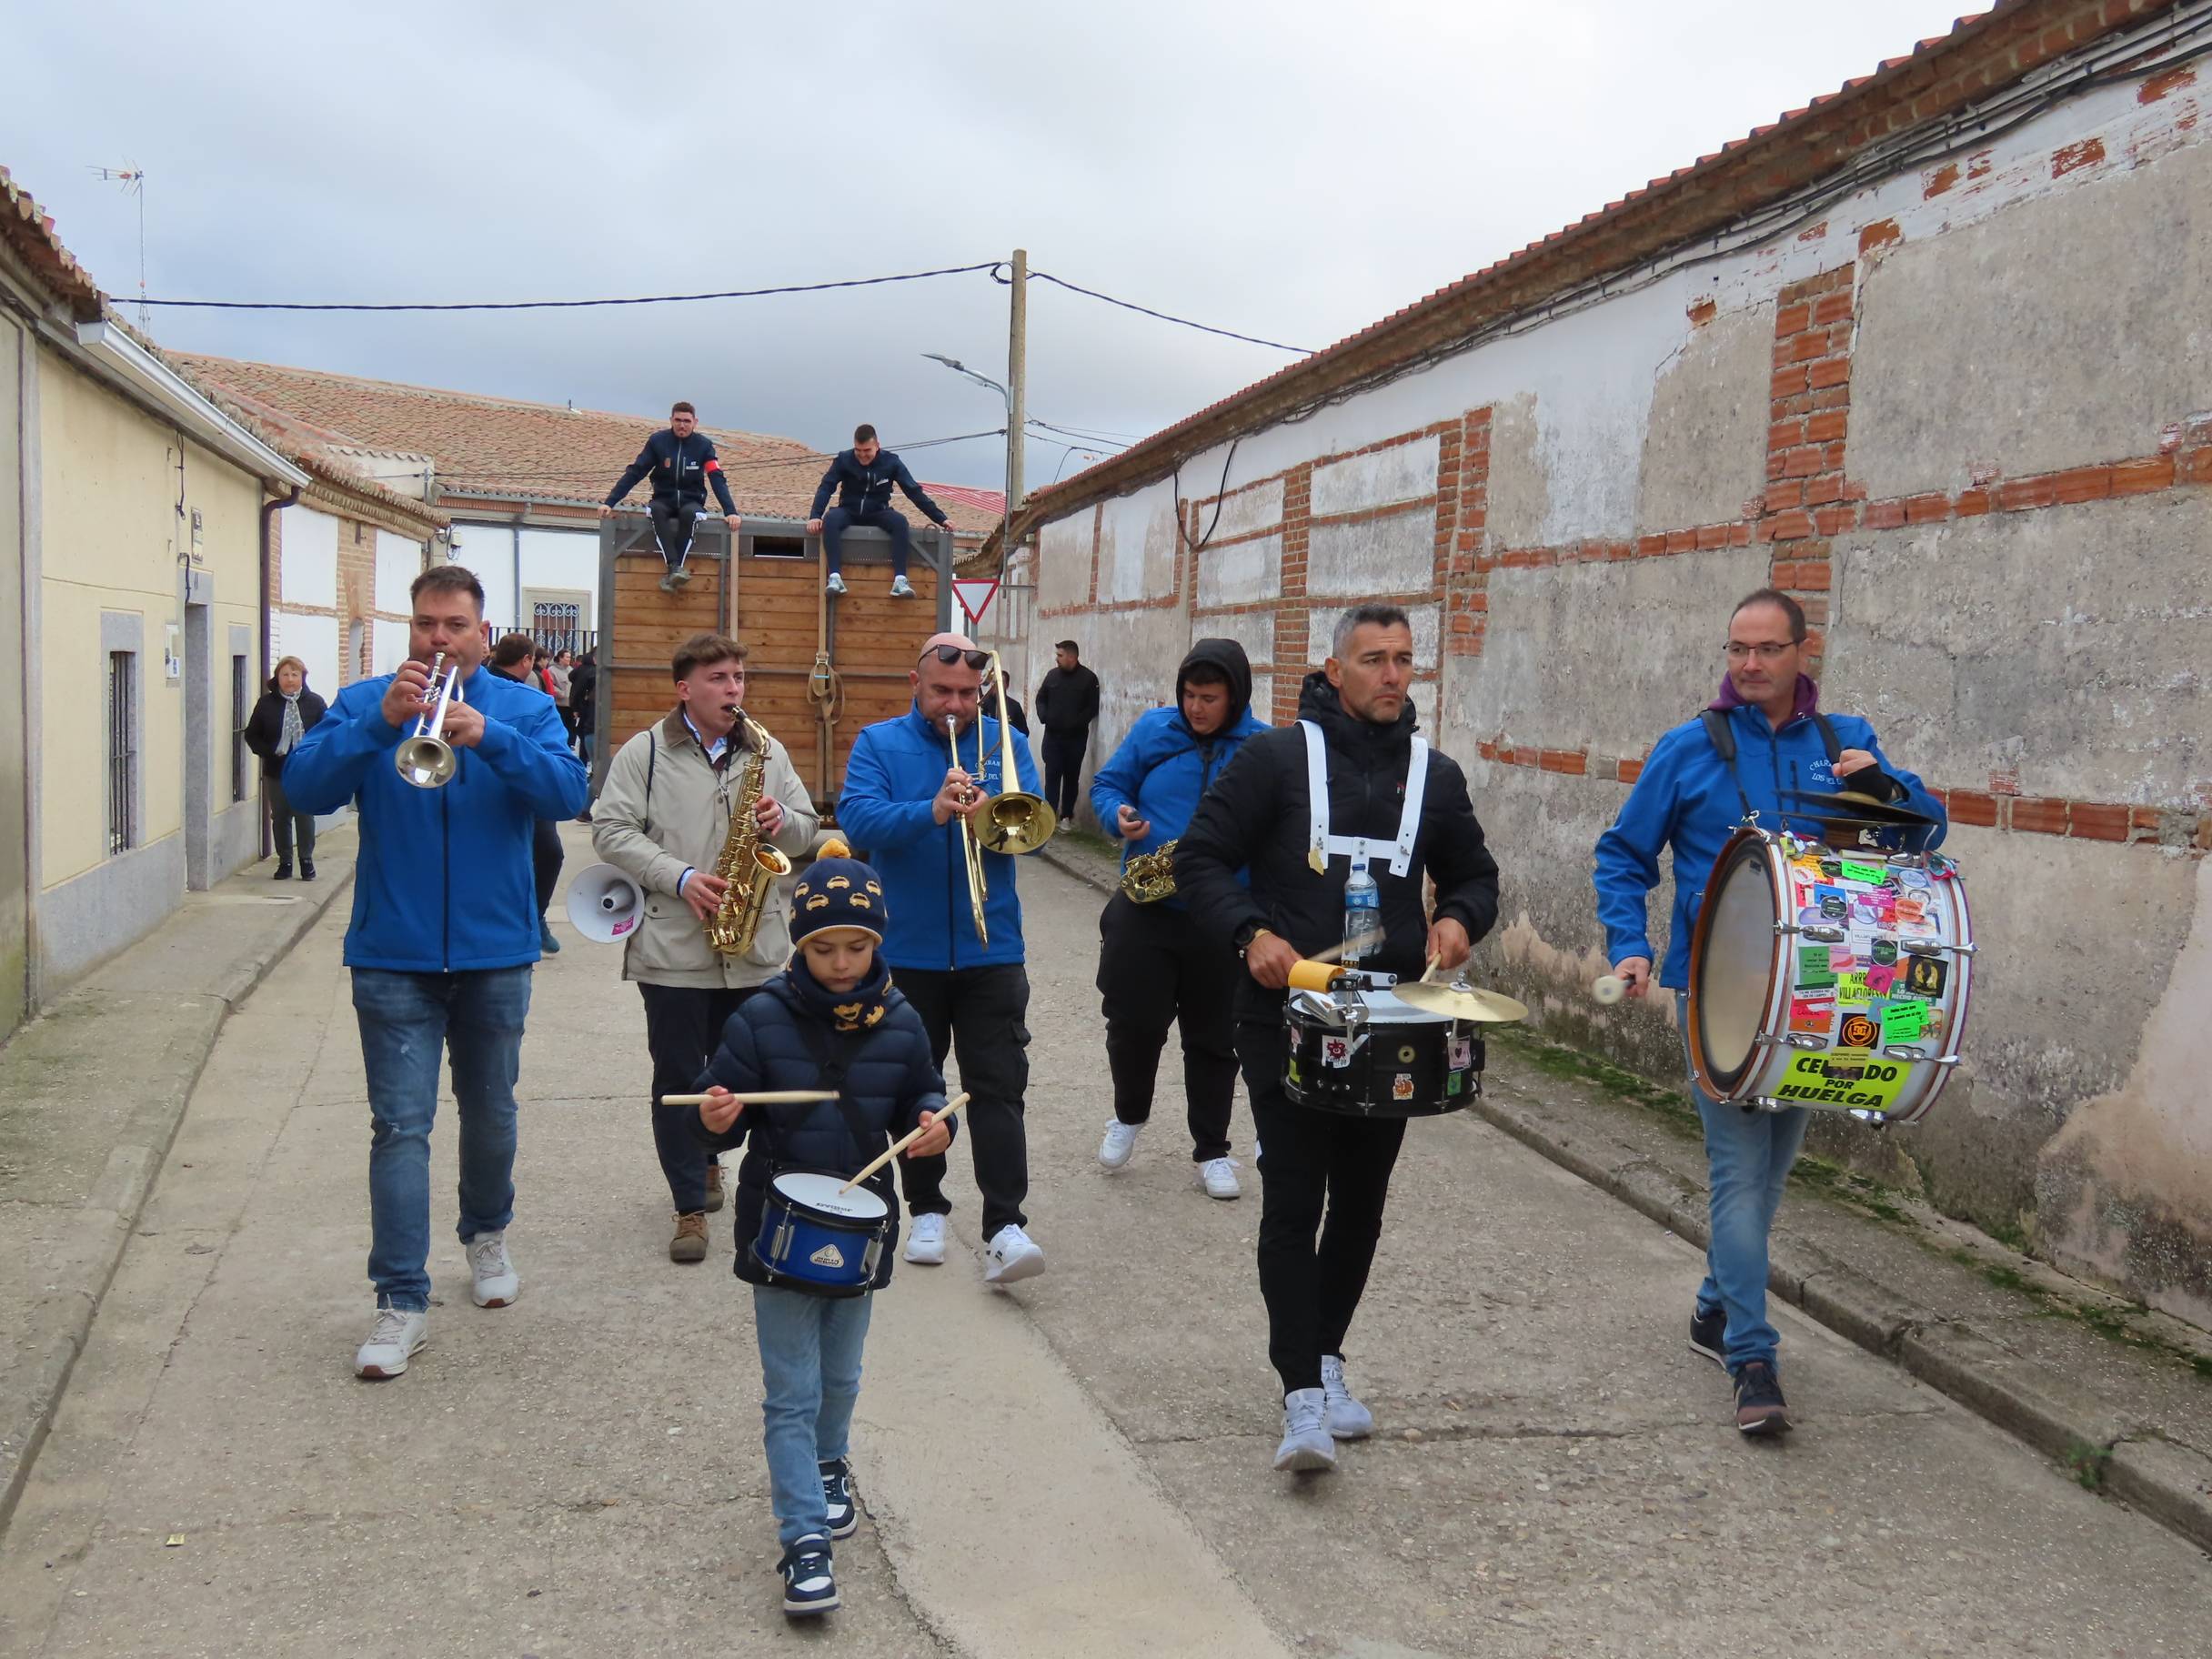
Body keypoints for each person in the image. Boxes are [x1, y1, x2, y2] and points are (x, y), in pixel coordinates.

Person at [1594, 587, 1946, 1437]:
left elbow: (1922, 840)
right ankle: (1752, 1355)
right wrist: (1627, 945)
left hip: (1829, 994)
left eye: (1767, 650)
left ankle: (1716, 1306)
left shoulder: (1847, 742)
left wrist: (1892, 790)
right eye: (1737, 650)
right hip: (1720, 995)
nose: (1749, 665)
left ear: (1801, 652)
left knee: (1774, 1170)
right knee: (1738, 1171)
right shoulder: (1689, 749)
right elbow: (1623, 853)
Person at [1176, 604, 1500, 1473]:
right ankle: (1300, 1395)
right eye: (1374, 660)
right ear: (1334, 668)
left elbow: (1475, 874)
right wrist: (1252, 934)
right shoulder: (1275, 759)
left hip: (1389, 1024)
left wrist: (1463, 920)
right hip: (1284, 1018)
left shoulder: (1436, 775)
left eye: (1404, 661)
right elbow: (1197, 859)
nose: (1393, 676)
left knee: (1362, 1202)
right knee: (1293, 1197)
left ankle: (1326, 1354)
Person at [282, 565, 588, 1379]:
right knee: (401, 1128)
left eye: (455, 624)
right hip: (393, 954)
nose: (439, 638)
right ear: (409, 629)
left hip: (495, 951)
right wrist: (376, 728)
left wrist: (492, 737)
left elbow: (567, 794)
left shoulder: (523, 705)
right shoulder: (364, 702)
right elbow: (305, 790)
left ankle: (486, 1236)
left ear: (482, 634)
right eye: (426, 624)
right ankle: (400, 1301)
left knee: (490, 1113)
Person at [689, 850, 955, 1617]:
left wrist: (931, 1129)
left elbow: (922, 1097)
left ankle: (831, 1463)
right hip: (779, 1229)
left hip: (863, 1227)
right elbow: (724, 1123)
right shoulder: (760, 1018)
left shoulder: (903, 1021)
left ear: (878, 944)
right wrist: (718, 1121)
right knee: (790, 1394)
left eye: (857, 946)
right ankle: (803, 1539)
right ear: (799, 945)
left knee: (840, 1379)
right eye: (823, 948)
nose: (841, 964)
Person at [589, 633, 819, 1263]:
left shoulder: (766, 750)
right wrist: (680, 877)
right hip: (673, 949)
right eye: (719, 678)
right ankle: (689, 1206)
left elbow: (808, 829)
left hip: (754, 946)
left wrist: (784, 823)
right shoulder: (646, 752)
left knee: (749, 1072)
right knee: (681, 1079)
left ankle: (721, 1159)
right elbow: (610, 830)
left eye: (739, 677)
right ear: (684, 689)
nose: (734, 689)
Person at [835, 632, 1049, 1285]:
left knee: (998, 1087)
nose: (956, 706)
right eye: (942, 692)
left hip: (992, 950)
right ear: (915, 684)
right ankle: (925, 1206)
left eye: (967, 694)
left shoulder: (1006, 744)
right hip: (905, 952)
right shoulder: (879, 743)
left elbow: (1030, 837)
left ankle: (1005, 1226)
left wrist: (992, 818)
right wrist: (930, 810)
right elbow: (859, 820)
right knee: (913, 1088)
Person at [1088, 638, 1270, 1196]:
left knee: (1215, 1038)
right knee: (1133, 1025)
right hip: (1146, 907)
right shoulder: (1153, 730)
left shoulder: (1264, 747)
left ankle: (1213, 1150)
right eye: (1190, 695)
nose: (1196, 707)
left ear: (1235, 697)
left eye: (1210, 698)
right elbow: (1107, 783)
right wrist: (1118, 817)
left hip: (1222, 917)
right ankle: (1128, 1115)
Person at [600, 401, 742, 593]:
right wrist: (610, 502)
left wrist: (730, 511)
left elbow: (716, 478)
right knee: (656, 510)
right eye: (678, 420)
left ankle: (675, 568)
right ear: (671, 420)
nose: (682, 425)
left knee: (688, 514)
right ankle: (675, 568)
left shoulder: (704, 446)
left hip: (692, 501)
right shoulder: (658, 442)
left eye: (686, 421)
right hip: (663, 499)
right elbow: (636, 472)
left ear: (695, 422)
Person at [805, 424, 950, 599]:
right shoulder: (844, 459)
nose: (862, 455)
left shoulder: (891, 462)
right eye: (858, 450)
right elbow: (826, 487)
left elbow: (914, 492)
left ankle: (900, 580)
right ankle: (835, 577)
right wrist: (815, 516)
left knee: (900, 522)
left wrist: (941, 519)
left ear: (877, 445)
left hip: (878, 511)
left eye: (867, 450)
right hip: (848, 510)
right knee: (831, 519)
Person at [489, 634, 568, 956]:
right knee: (545, 853)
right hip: (502, 789)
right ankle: (531, 917)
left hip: (526, 785)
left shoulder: (530, 693)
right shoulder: (506, 689)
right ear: (525, 661)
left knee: (548, 852)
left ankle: (534, 917)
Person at [244, 655, 327, 880]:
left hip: (306, 770)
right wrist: (269, 752)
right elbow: (252, 735)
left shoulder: (316, 703)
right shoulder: (266, 704)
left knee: (304, 815)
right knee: (280, 816)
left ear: (303, 677)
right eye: (285, 674)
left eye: (295, 674)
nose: (290, 679)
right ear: (277, 678)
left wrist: (316, 757)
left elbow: (327, 734)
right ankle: (285, 861)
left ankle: (306, 860)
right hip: (276, 769)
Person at [1035, 639, 1100, 826]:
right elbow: (1041, 698)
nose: (1057, 659)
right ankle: (1049, 817)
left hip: (1075, 739)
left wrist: (1076, 723)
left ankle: (1066, 816)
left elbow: (1092, 708)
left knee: (1072, 778)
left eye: (1060, 655)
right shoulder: (1052, 676)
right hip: (1053, 738)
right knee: (1052, 776)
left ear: (1072, 657)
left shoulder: (1089, 679)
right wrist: (1044, 715)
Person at [549, 649, 578, 750]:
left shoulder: (571, 670)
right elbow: (550, 685)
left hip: (570, 703)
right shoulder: (552, 670)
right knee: (561, 724)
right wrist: (560, 693)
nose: (569, 659)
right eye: (567, 657)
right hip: (559, 703)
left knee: (572, 725)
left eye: (570, 657)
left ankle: (571, 744)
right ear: (560, 658)